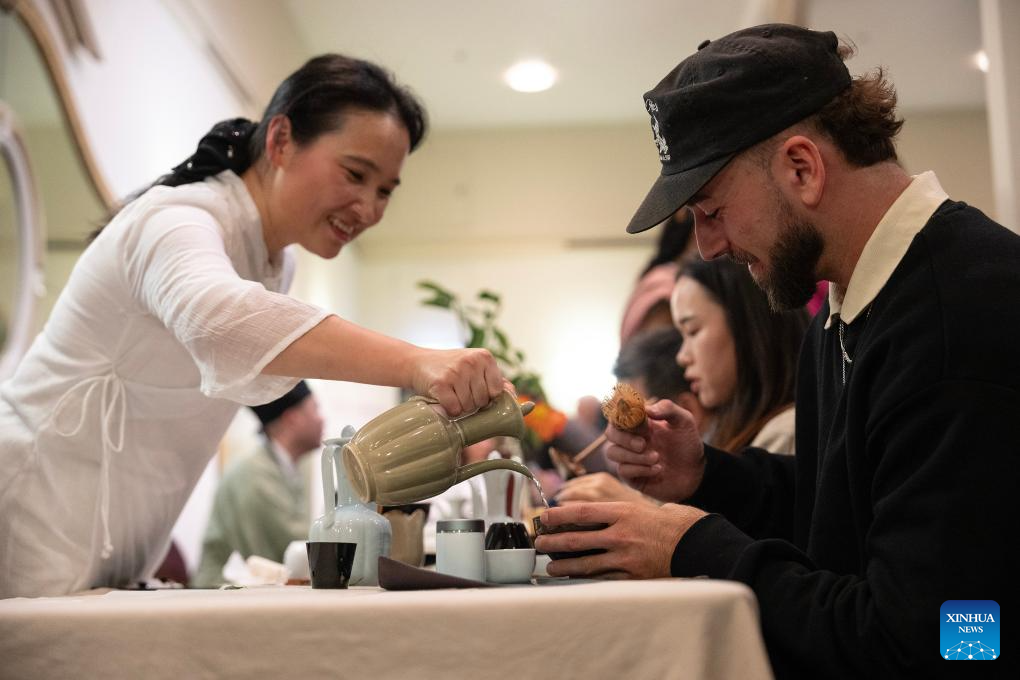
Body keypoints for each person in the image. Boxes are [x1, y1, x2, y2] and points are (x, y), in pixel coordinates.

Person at [535, 24, 1017, 678]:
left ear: (801, 168)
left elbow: (941, 642)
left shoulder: (961, 320)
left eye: (712, 210)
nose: (707, 247)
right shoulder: (844, 313)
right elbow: (847, 509)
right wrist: (706, 477)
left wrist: (693, 546)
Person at [0, 54, 508, 598]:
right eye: (356, 174)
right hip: (32, 514)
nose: (367, 208)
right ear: (281, 140)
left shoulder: (276, 262)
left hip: (121, 538)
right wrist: (414, 362)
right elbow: (221, 322)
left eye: (385, 190)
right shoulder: (176, 219)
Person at [193, 381, 323, 587]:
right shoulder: (255, 474)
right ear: (293, 418)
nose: (322, 419)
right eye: (315, 409)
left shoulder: (282, 467)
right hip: (218, 592)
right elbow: (297, 546)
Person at [672, 256, 807, 454]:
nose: (682, 357)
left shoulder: (786, 436)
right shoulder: (733, 429)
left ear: (747, 325)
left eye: (692, 331)